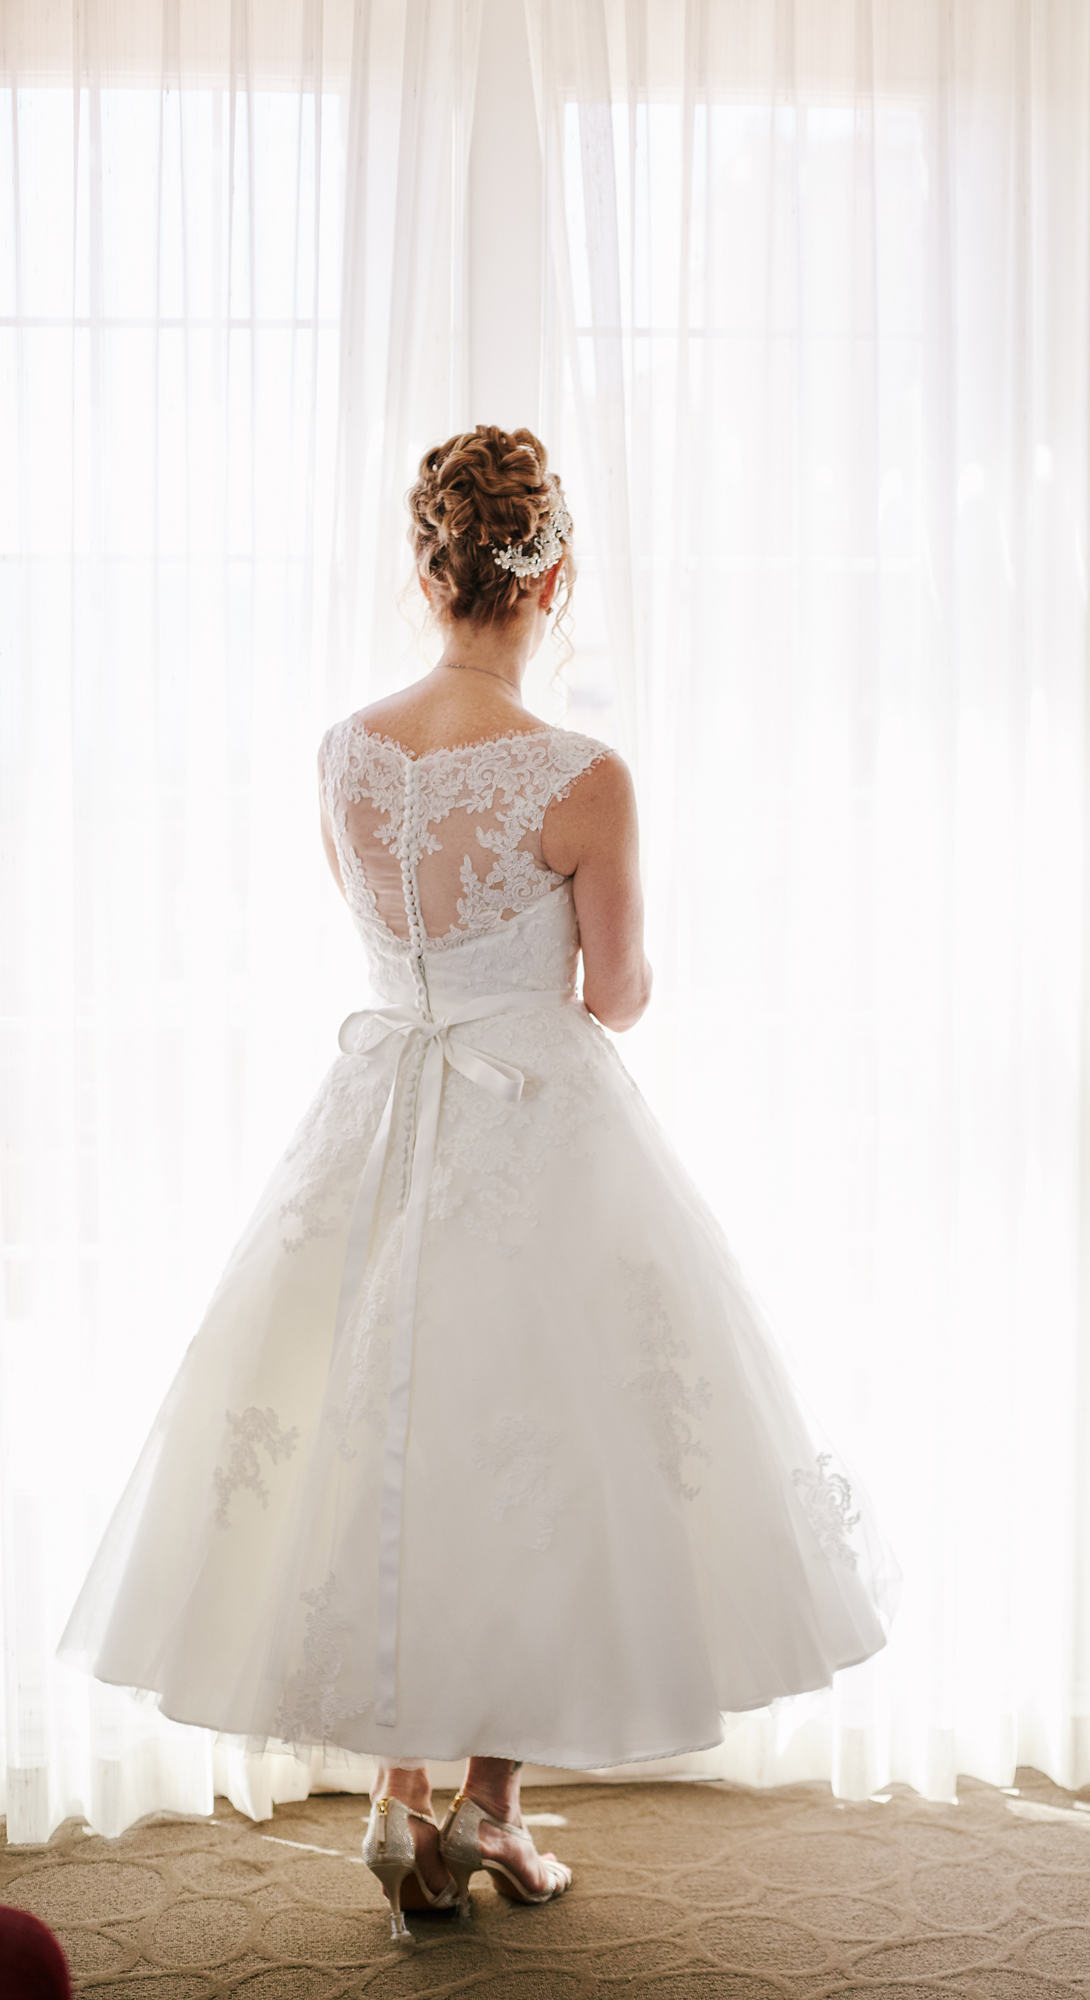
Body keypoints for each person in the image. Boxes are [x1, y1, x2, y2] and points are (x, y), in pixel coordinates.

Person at [60, 426, 895, 1941]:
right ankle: (490, 1810)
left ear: (425, 571)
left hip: (377, 1111)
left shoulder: (346, 755)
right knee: (533, 1444)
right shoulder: (583, 777)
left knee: (389, 1425)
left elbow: (387, 945)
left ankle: (398, 1800)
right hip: (530, 1126)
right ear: (553, 577)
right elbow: (620, 994)